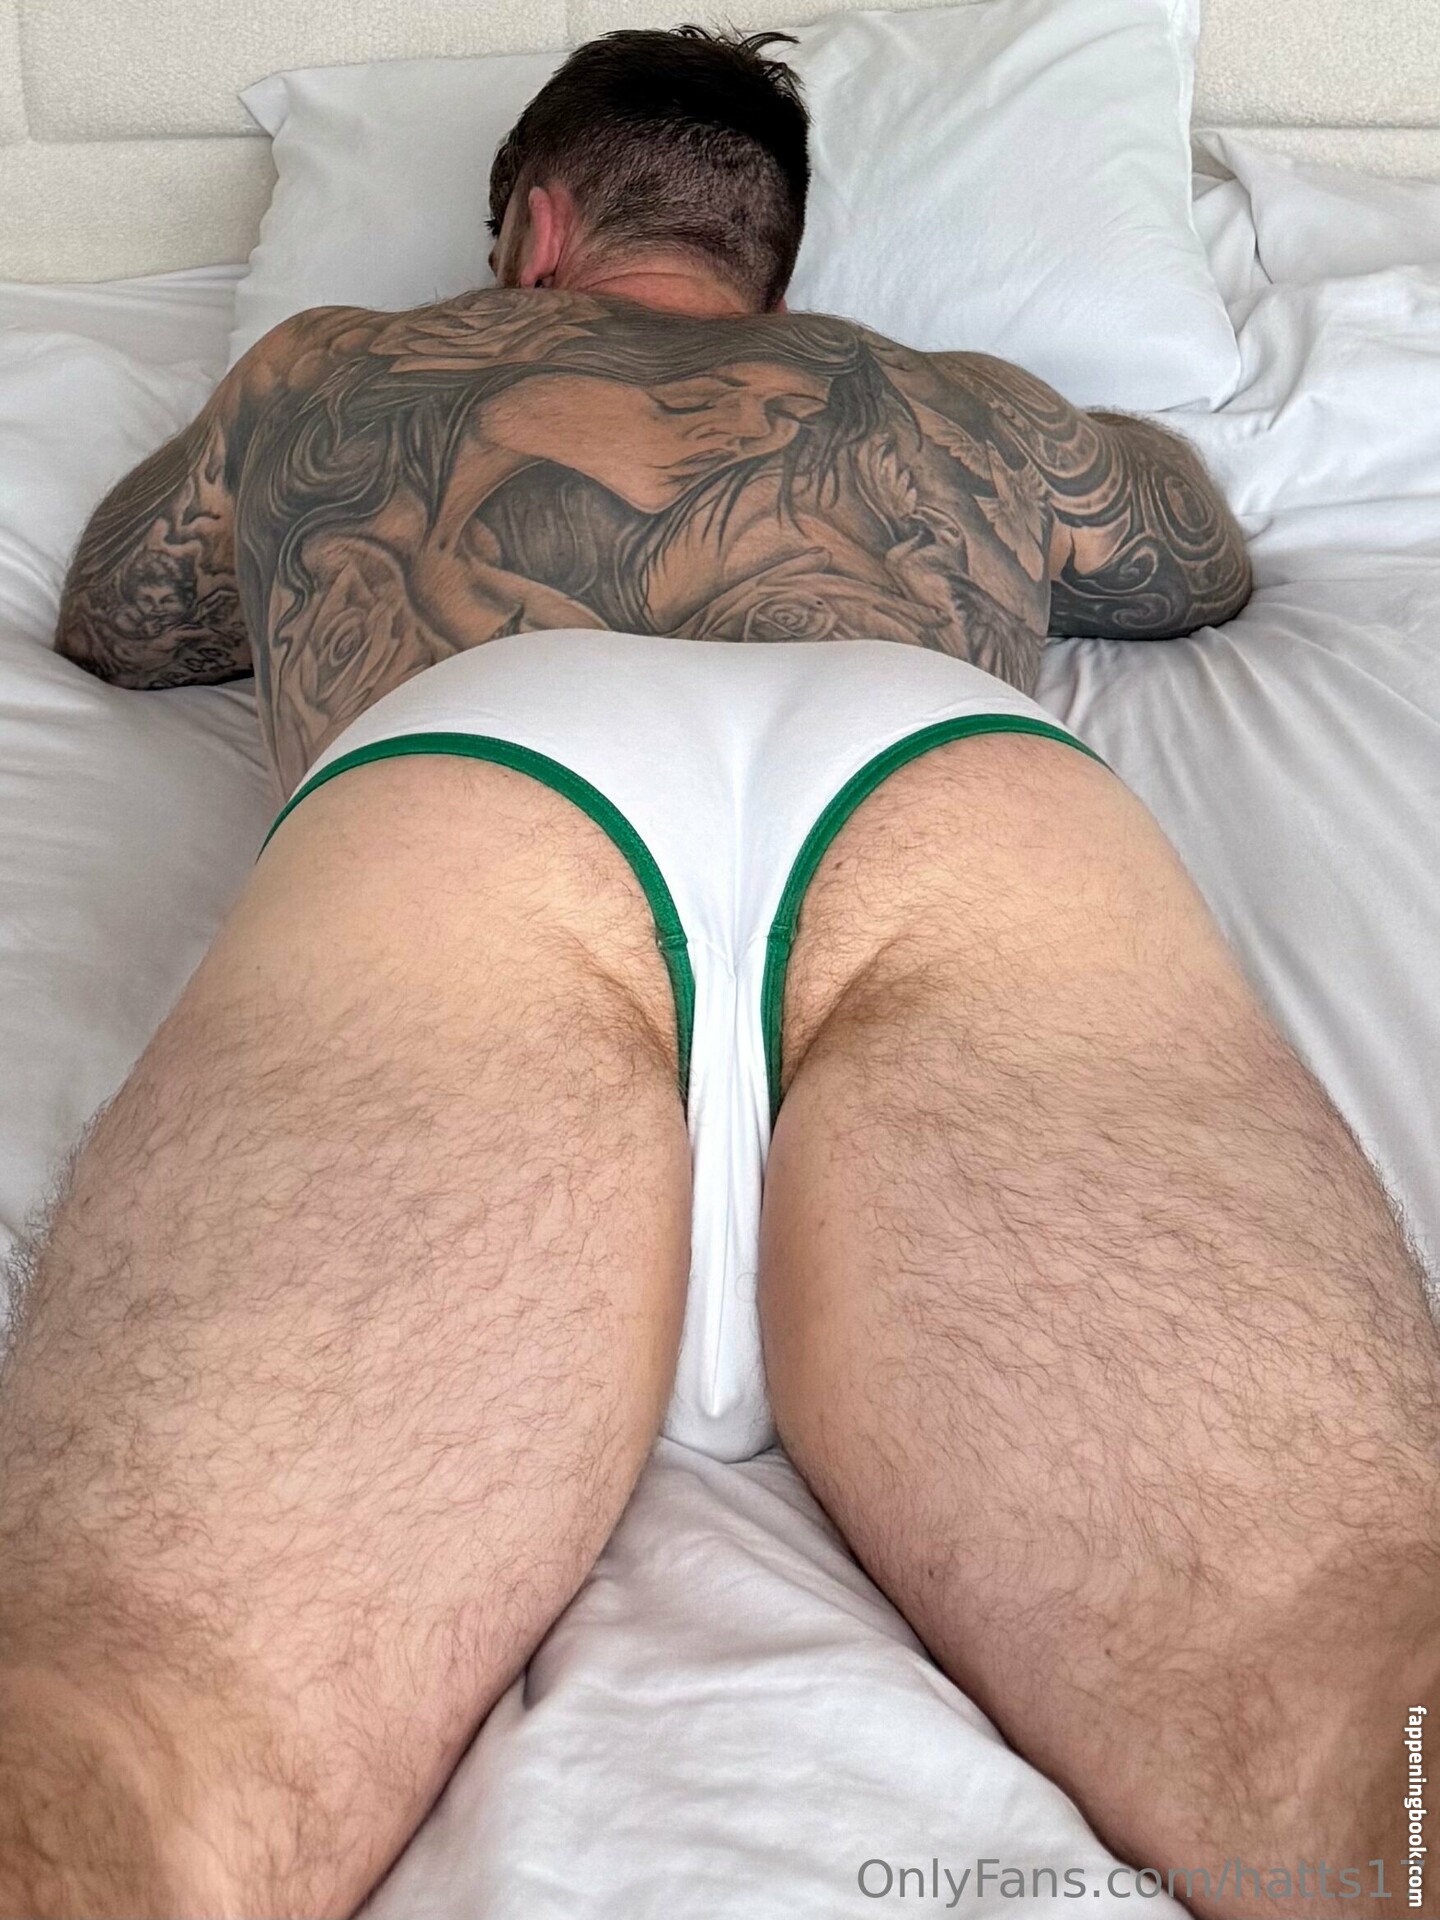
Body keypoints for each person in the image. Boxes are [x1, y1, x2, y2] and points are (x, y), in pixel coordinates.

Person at [0, 23, 1433, 1918]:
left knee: (136, 1717)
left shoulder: (332, 369)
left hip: (486, 782)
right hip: (945, 786)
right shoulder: (963, 405)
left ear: (537, 226)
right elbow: (1194, 566)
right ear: (773, 253)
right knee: (1357, 1678)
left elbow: (117, 614)